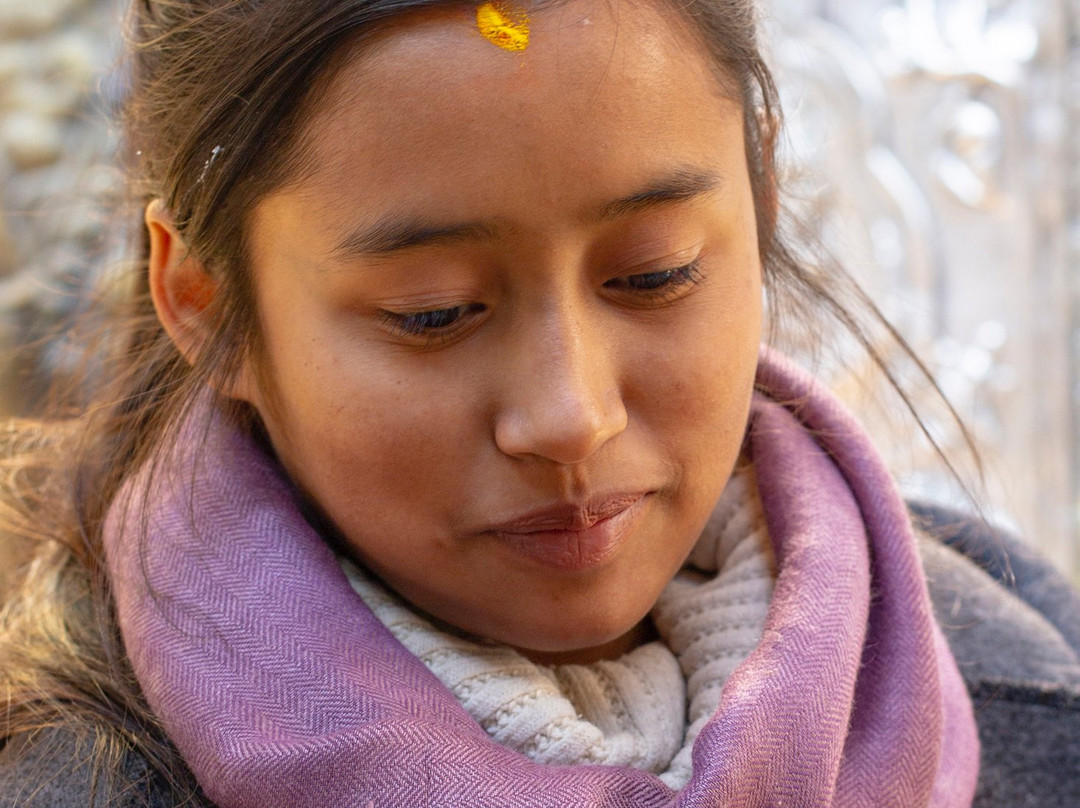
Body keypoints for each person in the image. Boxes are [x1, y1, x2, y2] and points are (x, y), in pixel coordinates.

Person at [0, 0, 1077, 805]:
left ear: (760, 192)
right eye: (434, 312)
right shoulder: (83, 777)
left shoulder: (1024, 664)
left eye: (652, 274)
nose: (571, 415)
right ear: (205, 300)